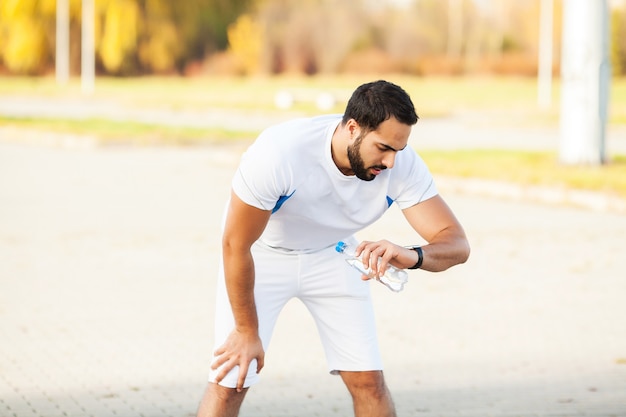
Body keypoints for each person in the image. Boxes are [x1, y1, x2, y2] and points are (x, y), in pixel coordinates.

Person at [196, 80, 470, 417]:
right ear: (352, 128)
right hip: (261, 255)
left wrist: (411, 255)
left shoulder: (401, 163)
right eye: (383, 147)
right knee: (231, 380)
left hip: (334, 254)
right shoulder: (280, 152)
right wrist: (245, 330)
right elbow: (235, 245)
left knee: (369, 382)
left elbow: (456, 243)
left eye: (398, 150)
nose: (391, 163)